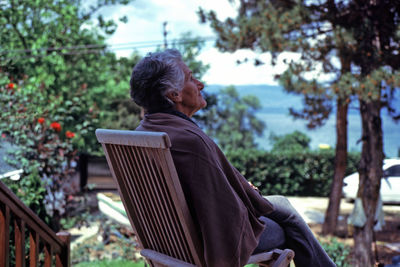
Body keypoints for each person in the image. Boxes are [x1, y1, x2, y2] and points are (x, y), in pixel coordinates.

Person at [130, 49, 336, 267]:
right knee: (288, 226)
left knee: (281, 205)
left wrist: (245, 192)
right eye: (191, 78)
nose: (200, 84)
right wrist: (247, 195)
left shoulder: (144, 133)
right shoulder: (189, 140)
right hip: (207, 243)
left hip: (168, 241)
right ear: (174, 95)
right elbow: (225, 210)